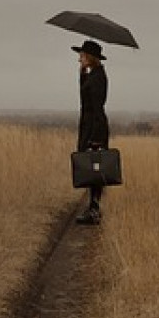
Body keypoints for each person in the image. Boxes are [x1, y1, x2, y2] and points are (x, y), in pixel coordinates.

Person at [73, 39, 109, 224]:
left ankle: (94, 210)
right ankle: (93, 208)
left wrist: (95, 138)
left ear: (90, 57)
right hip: (90, 126)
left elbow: (96, 108)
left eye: (82, 55)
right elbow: (85, 100)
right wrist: (82, 76)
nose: (79, 59)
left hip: (94, 128)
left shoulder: (98, 78)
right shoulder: (94, 75)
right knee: (91, 169)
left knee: (95, 170)